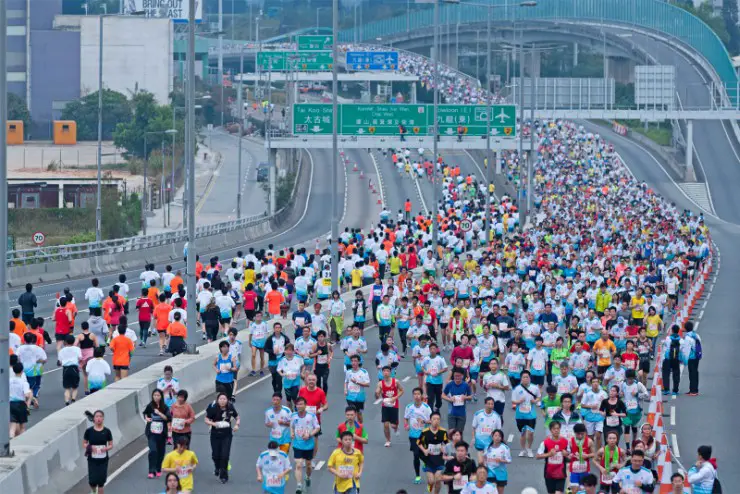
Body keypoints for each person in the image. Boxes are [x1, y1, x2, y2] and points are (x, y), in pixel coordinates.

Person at [205, 392, 240, 483]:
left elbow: (237, 417)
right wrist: (214, 424)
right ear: (218, 400)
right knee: (215, 455)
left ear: (227, 400)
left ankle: (223, 476)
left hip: (227, 435)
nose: (222, 401)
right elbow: (206, 419)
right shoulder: (213, 408)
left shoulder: (230, 407)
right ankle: (217, 467)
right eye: (220, 399)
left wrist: (237, 425)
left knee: (225, 455)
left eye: (224, 399)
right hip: (215, 434)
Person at [290, 396, 321, 493]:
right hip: (297, 444)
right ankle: (299, 485)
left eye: (301, 404)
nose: (299, 406)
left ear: (305, 405)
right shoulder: (293, 416)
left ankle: (307, 477)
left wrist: (310, 434)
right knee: (298, 464)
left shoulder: (311, 416)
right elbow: (292, 426)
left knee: (308, 465)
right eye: (297, 404)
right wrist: (292, 433)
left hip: (308, 445)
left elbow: (317, 428)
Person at [405, 387, 433, 484]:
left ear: (421, 396)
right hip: (413, 435)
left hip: (424, 435)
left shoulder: (426, 408)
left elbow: (432, 421)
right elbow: (405, 418)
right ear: (413, 396)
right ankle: (417, 476)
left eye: (418, 394)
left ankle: (425, 461)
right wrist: (406, 425)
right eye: (415, 394)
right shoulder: (409, 407)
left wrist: (424, 421)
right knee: (416, 455)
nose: (417, 396)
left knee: (423, 453)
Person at [83, 410, 113, 494]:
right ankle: (93, 490)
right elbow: (84, 444)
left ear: (103, 418)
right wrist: (90, 447)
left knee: (101, 482)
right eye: (97, 416)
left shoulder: (107, 431)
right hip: (92, 459)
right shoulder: (89, 431)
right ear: (94, 418)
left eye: (100, 416)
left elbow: (111, 445)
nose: (99, 418)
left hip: (103, 459)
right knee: (92, 481)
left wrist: (105, 449)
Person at [418, 412, 449, 494]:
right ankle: (430, 484)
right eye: (434, 419)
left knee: (438, 480)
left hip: (439, 459)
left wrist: (444, 449)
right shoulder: (425, 432)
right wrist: (424, 451)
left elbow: (447, 444)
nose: (436, 421)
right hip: (429, 459)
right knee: (431, 481)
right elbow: (418, 442)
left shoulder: (443, 432)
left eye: (438, 419)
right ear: (430, 421)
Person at [511, 370, 540, 457]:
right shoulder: (517, 389)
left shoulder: (535, 388)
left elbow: (538, 397)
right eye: (524, 377)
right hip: (520, 415)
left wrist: (534, 401)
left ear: (530, 378)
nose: (525, 379)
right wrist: (519, 401)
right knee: (523, 433)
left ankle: (529, 449)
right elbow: (513, 401)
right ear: (521, 378)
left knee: (530, 433)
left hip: (531, 414)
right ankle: (523, 449)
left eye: (527, 377)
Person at [144, 388, 171, 479]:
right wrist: (147, 418)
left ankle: (158, 468)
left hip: (162, 433)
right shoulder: (150, 405)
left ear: (161, 396)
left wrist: (159, 413)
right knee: (153, 451)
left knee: (161, 452)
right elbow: (145, 413)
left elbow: (168, 418)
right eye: (154, 395)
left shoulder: (165, 407)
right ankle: (151, 470)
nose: (156, 397)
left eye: (158, 395)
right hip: (151, 433)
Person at [536, 421, 569, 494]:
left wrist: (566, 454)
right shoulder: (545, 442)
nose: (556, 430)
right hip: (549, 473)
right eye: (554, 429)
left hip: (561, 473)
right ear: (550, 430)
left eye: (558, 428)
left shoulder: (565, 442)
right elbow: (538, 456)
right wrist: (549, 454)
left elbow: (570, 456)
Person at [375, 365, 404, 447]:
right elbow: (377, 396)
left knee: (393, 425)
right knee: (386, 424)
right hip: (385, 405)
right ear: (382, 373)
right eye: (384, 371)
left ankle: (396, 427)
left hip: (394, 405)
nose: (386, 373)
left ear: (390, 372)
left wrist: (395, 397)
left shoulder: (396, 382)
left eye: (387, 371)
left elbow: (402, 390)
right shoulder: (380, 383)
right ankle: (388, 440)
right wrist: (377, 393)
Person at [471, 397, 503, 463]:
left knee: (488, 462)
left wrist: (499, 442)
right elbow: (474, 428)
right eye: (489, 404)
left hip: (490, 441)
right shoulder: (478, 414)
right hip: (479, 440)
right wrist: (473, 438)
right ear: (485, 404)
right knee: (480, 462)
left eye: (492, 404)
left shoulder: (497, 416)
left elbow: (499, 431)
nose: (490, 406)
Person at [661, 324, 689, 396]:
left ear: (672, 330)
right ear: (678, 331)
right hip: (676, 359)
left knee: (666, 374)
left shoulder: (668, 339)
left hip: (667, 359)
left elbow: (663, 346)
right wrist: (683, 360)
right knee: (676, 374)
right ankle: (675, 390)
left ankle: (666, 389)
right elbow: (683, 351)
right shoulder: (682, 340)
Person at [442, 368, 473, 433]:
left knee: (459, 434)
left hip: (462, 413)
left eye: (459, 376)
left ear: (462, 376)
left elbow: (470, 397)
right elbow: (442, 395)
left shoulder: (465, 385)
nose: (457, 377)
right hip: (451, 413)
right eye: (455, 376)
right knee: (451, 433)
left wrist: (465, 397)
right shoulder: (450, 384)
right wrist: (449, 399)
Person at [265, 322, 290, 395]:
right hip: (273, 361)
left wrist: (286, 353)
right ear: (274, 329)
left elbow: (289, 348)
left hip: (281, 360)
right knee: (274, 378)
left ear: (281, 329)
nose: (277, 329)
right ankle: (275, 390)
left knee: (279, 378)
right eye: (276, 328)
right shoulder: (270, 339)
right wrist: (272, 351)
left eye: (279, 327)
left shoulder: (285, 338)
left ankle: (278, 393)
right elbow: (265, 349)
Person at [568, 423, 595, 492]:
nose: (580, 436)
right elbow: (567, 454)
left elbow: (594, 454)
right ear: (574, 433)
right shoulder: (570, 441)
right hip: (574, 470)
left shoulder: (589, 441)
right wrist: (569, 455)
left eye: (582, 434)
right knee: (574, 490)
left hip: (585, 470)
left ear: (585, 433)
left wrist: (587, 455)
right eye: (578, 434)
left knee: (583, 490)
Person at [344, 355, 371, 423]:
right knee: (351, 413)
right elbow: (346, 381)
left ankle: (360, 428)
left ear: (359, 362)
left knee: (359, 414)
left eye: (355, 361)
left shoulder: (364, 372)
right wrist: (345, 389)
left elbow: (367, 384)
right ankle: (352, 429)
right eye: (352, 361)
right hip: (350, 396)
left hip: (360, 397)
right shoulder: (348, 372)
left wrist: (357, 382)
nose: (353, 363)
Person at [9, 362, 33, 438]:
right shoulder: (24, 383)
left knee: (12, 426)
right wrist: (27, 402)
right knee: (22, 426)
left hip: (11, 404)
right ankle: (22, 440)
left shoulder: (9, 381)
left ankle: (11, 439)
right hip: (20, 404)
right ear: (22, 371)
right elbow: (26, 394)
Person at [483, 429, 511, 493]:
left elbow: (509, 460)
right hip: (490, 472)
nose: (497, 438)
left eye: (499, 436)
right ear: (492, 437)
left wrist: (501, 460)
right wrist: (484, 467)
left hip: (501, 473)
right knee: (491, 491)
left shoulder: (505, 448)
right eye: (495, 436)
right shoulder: (487, 447)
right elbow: (484, 457)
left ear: (501, 438)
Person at [277, 343, 303, 409]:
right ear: (285, 351)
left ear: (293, 351)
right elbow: (278, 369)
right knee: (288, 398)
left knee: (294, 396)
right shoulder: (282, 360)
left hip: (296, 381)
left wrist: (302, 372)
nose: (289, 352)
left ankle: (297, 409)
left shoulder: (298, 358)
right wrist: (282, 374)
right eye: (287, 350)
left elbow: (303, 366)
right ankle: (290, 412)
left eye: (291, 350)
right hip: (287, 382)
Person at [59, 334, 82, 405]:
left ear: (65, 341)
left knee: (67, 388)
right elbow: (80, 358)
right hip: (74, 368)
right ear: (73, 341)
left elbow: (60, 361)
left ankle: (66, 401)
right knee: (75, 387)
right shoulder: (77, 349)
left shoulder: (62, 350)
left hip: (65, 369)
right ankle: (73, 400)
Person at [684, 321, 701, 396]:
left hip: (691, 358)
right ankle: (694, 389)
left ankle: (693, 391)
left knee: (692, 374)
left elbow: (687, 350)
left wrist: (684, 360)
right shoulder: (696, 335)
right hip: (697, 357)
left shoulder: (687, 337)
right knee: (695, 372)